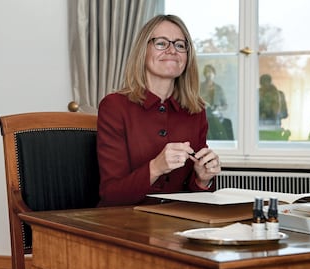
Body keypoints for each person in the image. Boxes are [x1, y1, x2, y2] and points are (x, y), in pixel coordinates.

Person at [97, 15, 221, 206]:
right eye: (161, 43)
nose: (172, 50)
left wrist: (202, 180)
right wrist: (156, 167)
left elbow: (194, 199)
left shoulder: (196, 110)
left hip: (177, 225)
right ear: (143, 51)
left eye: (180, 45)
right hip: (125, 224)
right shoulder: (114, 106)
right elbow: (111, 195)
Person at [200, 64, 234, 140]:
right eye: (207, 72)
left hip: (216, 116)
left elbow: (225, 105)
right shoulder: (199, 87)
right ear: (204, 74)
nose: (209, 74)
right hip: (203, 116)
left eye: (211, 72)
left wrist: (218, 108)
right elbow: (194, 101)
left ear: (214, 74)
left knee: (223, 131)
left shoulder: (218, 88)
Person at [258, 74, 290, 140]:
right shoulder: (257, 94)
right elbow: (284, 114)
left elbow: (284, 114)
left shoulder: (279, 95)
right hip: (263, 131)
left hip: (271, 130)